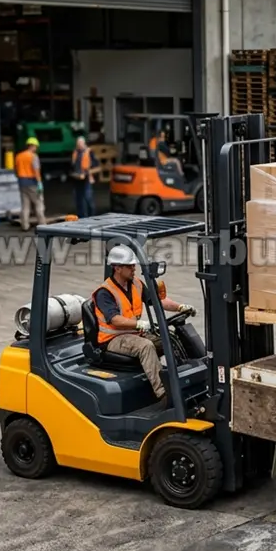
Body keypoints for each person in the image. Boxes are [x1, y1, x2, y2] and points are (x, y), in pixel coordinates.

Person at [92, 245, 196, 402]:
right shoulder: (105, 292)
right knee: (145, 346)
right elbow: (114, 320)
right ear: (117, 268)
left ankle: (184, 378)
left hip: (134, 334)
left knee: (169, 339)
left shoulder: (136, 284)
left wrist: (180, 307)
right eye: (129, 265)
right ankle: (164, 394)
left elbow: (158, 301)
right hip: (112, 340)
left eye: (134, 265)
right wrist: (138, 324)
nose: (134, 268)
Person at [15, 137, 46, 231]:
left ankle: (25, 225)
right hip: (32, 182)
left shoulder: (19, 156)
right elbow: (36, 170)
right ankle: (43, 225)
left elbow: (15, 170)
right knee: (38, 203)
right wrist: (39, 182)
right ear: (32, 146)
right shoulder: (33, 156)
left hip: (22, 183)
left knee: (25, 205)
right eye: (36, 146)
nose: (36, 148)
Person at [70, 136, 99, 219]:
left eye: (80, 144)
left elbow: (96, 165)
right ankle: (81, 217)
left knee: (88, 198)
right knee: (78, 198)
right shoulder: (75, 152)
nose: (79, 146)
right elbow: (72, 165)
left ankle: (92, 217)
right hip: (77, 179)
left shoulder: (89, 152)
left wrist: (86, 172)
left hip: (86, 178)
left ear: (84, 143)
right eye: (77, 144)